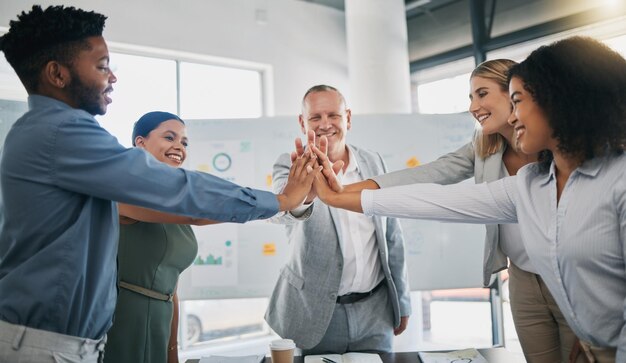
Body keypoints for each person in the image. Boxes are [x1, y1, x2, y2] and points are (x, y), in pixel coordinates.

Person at [0, 6, 318, 363]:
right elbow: (181, 193)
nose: (113, 77)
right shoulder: (61, 134)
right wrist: (281, 199)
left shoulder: (47, 133)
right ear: (57, 74)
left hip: (67, 344)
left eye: (184, 140)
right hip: (47, 347)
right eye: (102, 66)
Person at [313, 36, 625, 363]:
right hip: (528, 280)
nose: (476, 107)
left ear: (558, 102)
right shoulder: (530, 183)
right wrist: (343, 193)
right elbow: (437, 197)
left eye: (517, 100)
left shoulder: (614, 181)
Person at [266, 85, 411, 354]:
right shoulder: (291, 164)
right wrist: (303, 197)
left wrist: (402, 301)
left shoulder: (373, 162)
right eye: (315, 117)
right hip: (315, 313)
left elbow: (392, 234)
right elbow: (278, 212)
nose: (325, 125)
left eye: (333, 115)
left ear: (348, 118)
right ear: (302, 122)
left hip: (375, 311)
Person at [104, 111, 218, 363]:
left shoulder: (177, 201)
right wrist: (279, 203)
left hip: (161, 321)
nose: (179, 146)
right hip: (123, 320)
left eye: (184, 142)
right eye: (169, 137)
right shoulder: (125, 190)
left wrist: (172, 350)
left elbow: (171, 290)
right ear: (140, 143)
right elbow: (197, 215)